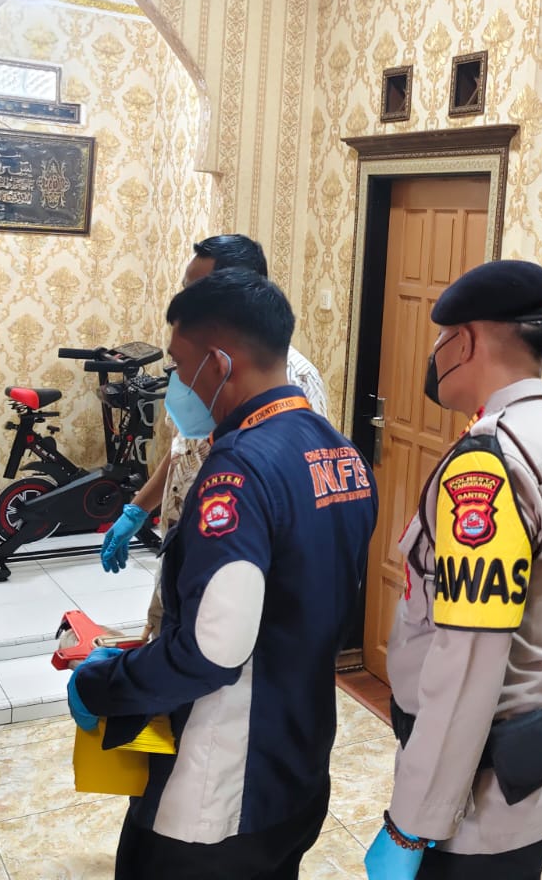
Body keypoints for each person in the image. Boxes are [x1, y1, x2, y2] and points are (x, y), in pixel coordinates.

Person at [68, 269, 376, 879]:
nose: (177, 386)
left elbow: (212, 652)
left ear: (218, 364)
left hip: (219, 790)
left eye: (181, 368)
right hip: (300, 761)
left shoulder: (238, 471)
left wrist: (107, 684)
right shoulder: (341, 454)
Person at [366, 260, 542, 880]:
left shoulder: (489, 465)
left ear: (464, 342)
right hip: (532, 756)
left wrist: (412, 823)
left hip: (481, 801)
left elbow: (468, 660)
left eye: (441, 339)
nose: (436, 354)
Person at [99, 234, 330, 638]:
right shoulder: (201, 366)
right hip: (185, 555)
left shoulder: (293, 379)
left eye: (197, 290)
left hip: (238, 578)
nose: (185, 301)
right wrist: (136, 512)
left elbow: (301, 494)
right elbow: (184, 449)